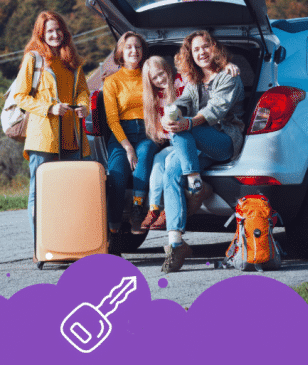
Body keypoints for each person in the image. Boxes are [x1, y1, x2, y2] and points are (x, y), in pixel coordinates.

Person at [159, 31, 245, 273]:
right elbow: (184, 100)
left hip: (225, 140)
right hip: (198, 147)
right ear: (191, 56)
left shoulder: (229, 76)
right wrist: (171, 113)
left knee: (183, 127)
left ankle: (195, 183)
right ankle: (176, 243)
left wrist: (184, 122)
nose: (202, 52)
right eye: (196, 50)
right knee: (170, 171)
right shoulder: (194, 81)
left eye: (205, 46)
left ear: (214, 48)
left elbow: (215, 112)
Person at [12, 11, 90, 256]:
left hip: (72, 137)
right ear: (41, 34)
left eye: (58, 30)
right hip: (44, 138)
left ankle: (68, 247)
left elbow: (82, 92)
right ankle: (42, 247)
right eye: (49, 31)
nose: (55, 35)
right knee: (41, 194)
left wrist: (83, 105)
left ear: (64, 31)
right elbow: (20, 96)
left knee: (71, 195)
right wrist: (49, 108)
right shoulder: (33, 59)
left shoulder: (72, 60)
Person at [103, 32, 158, 241]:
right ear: (121, 53)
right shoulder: (112, 82)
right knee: (117, 177)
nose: (134, 51)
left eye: (138, 47)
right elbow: (112, 120)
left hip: (147, 130)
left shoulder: (150, 76)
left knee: (144, 153)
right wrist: (127, 147)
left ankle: (137, 211)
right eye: (129, 48)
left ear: (143, 52)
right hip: (121, 135)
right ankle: (113, 232)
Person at [138, 56, 185, 231]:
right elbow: (160, 131)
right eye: (155, 79)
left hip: (185, 140)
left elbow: (193, 74)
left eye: (161, 74)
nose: (160, 80)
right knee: (157, 162)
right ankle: (153, 208)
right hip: (172, 142)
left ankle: (168, 209)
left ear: (168, 70)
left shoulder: (180, 83)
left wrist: (227, 67)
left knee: (166, 162)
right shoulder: (155, 97)